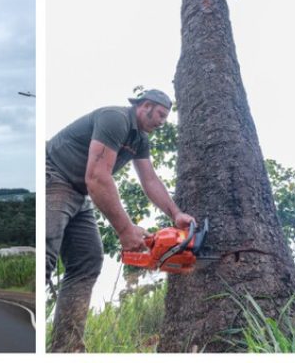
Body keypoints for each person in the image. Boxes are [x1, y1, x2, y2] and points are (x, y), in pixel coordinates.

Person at [45, 89, 195, 352]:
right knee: (46, 250)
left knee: (87, 260)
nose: (162, 122)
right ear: (145, 106)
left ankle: (66, 349)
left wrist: (176, 214)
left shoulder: (140, 139)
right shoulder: (115, 119)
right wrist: (125, 230)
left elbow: (149, 180)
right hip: (55, 176)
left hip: (79, 192)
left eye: (165, 117)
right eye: (160, 114)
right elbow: (98, 177)